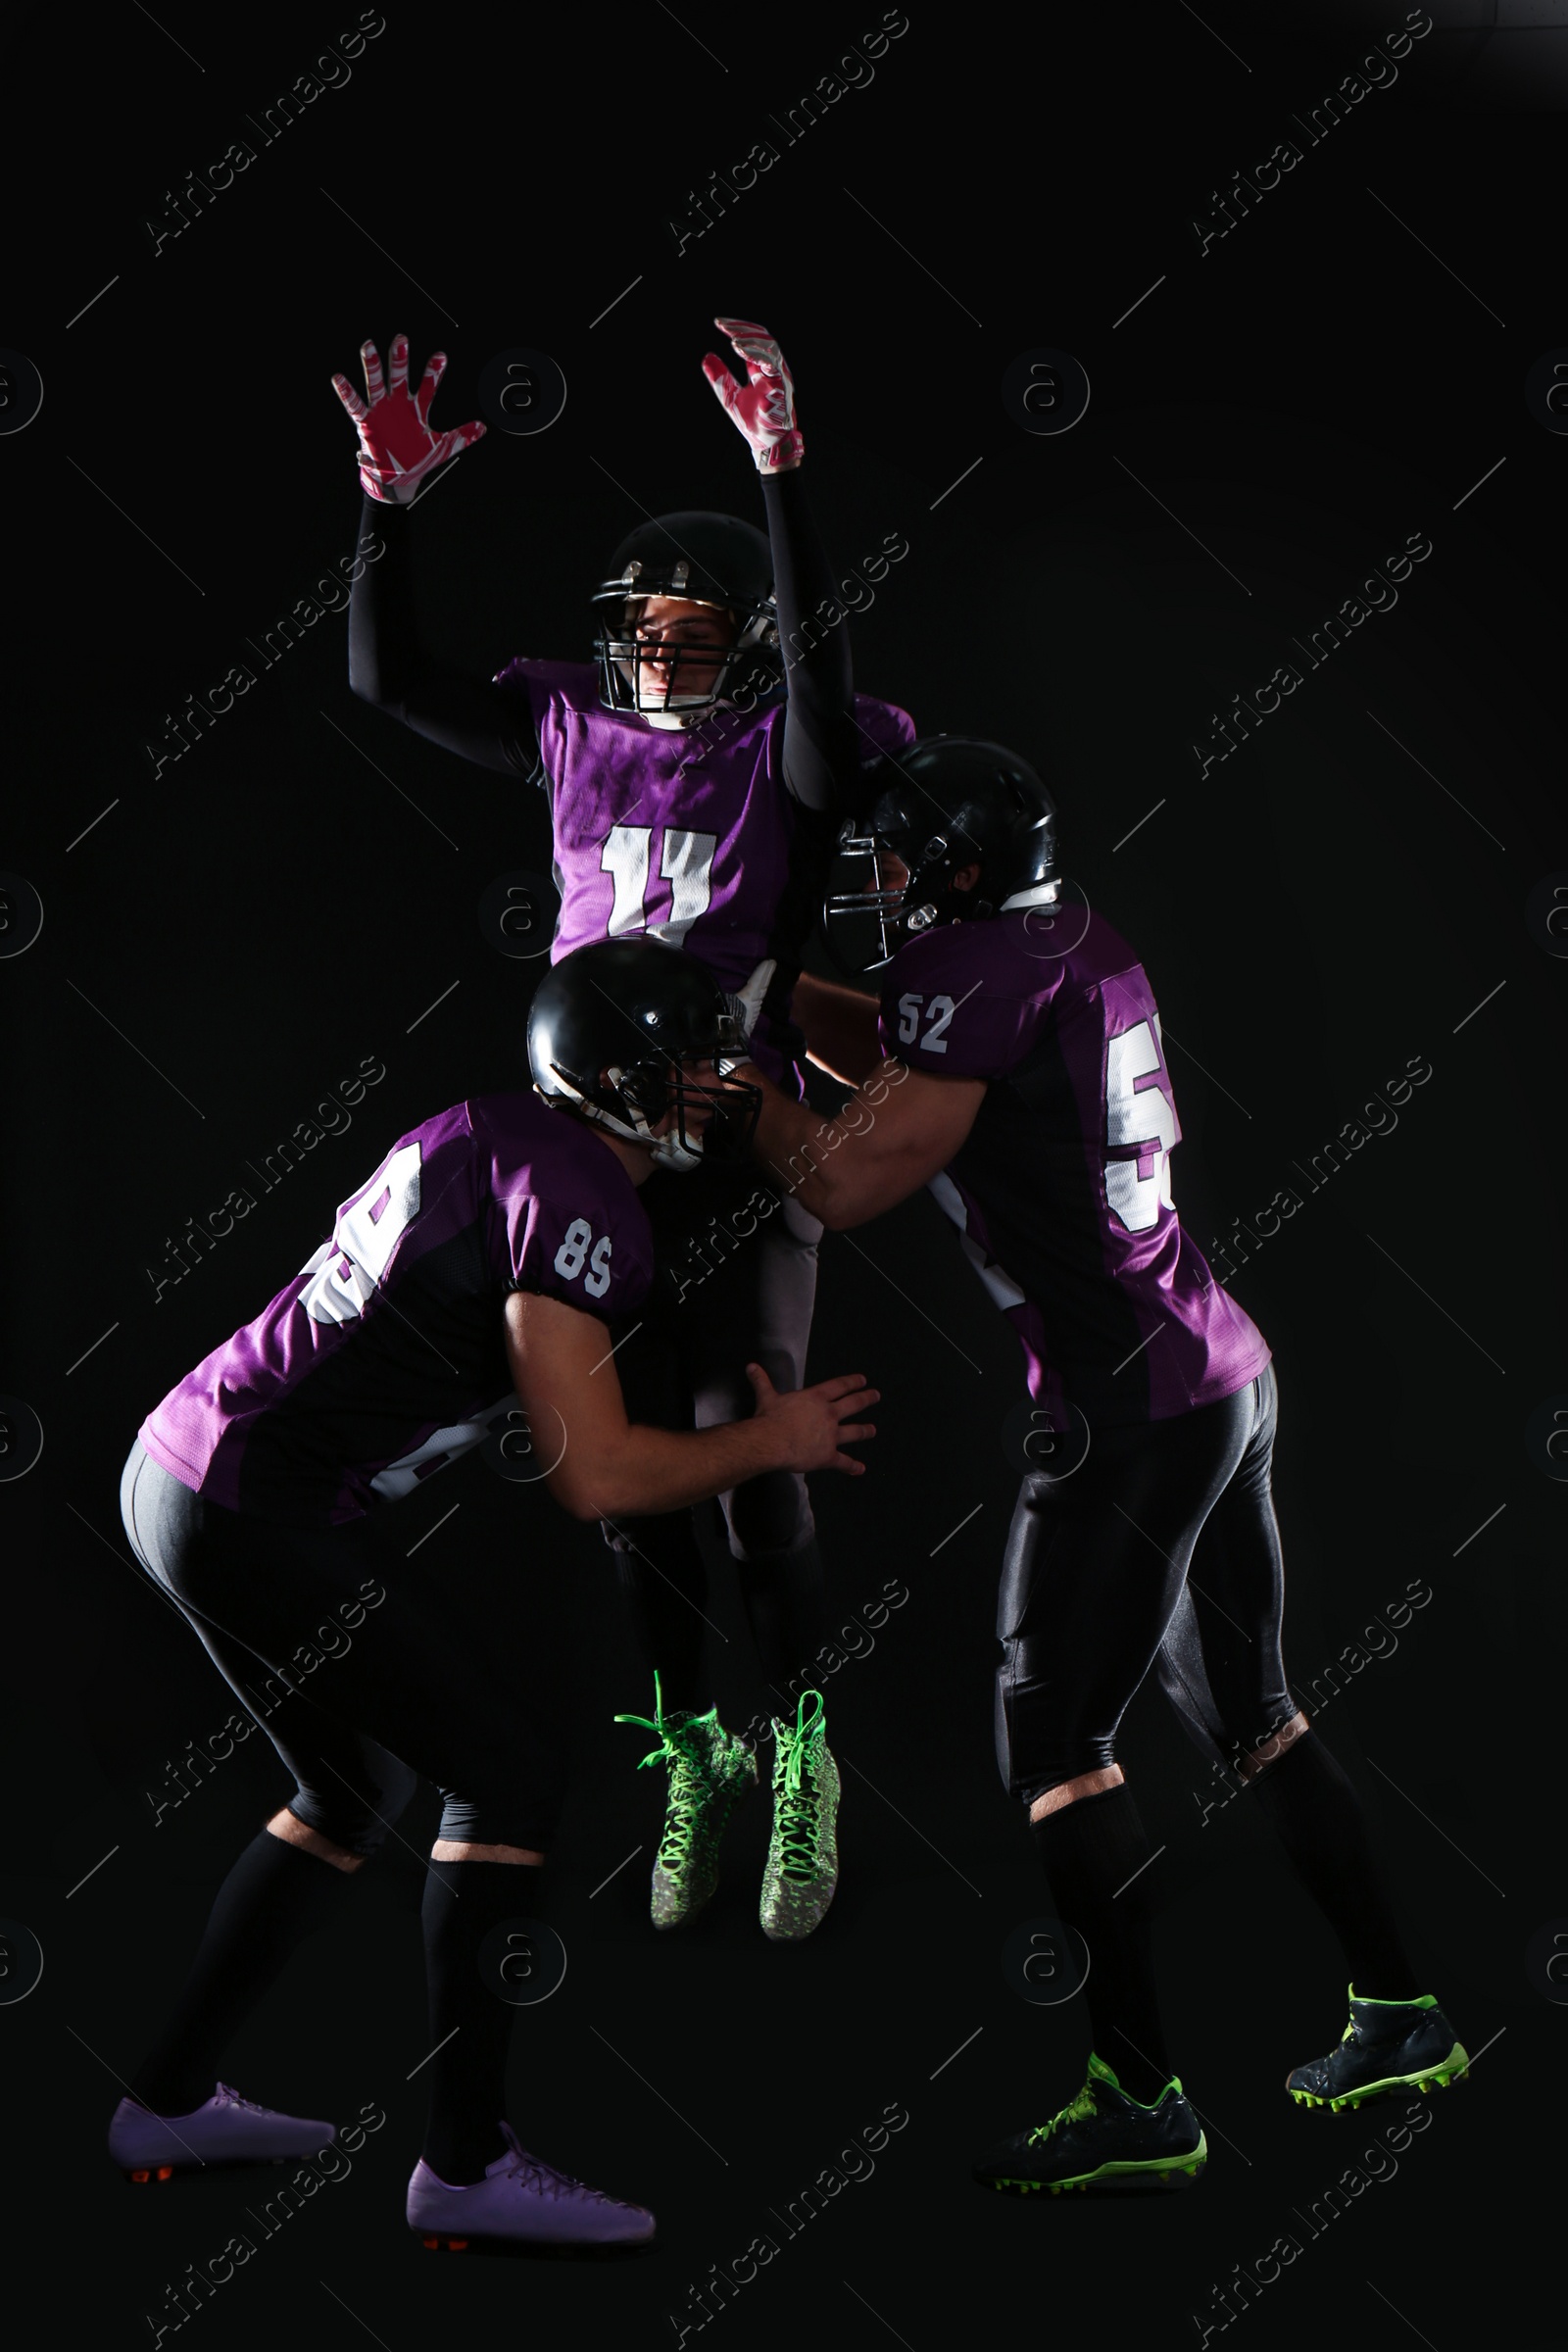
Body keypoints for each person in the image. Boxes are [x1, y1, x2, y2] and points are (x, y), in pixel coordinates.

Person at [741, 736, 1467, 2196]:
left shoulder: (978, 981)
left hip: (1130, 1409)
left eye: (896, 856)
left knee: (1053, 1746)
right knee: (1256, 1713)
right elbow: (903, 1038)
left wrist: (717, 1071)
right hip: (1217, 1367)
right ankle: (1401, 2013)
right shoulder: (1062, 935)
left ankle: (1140, 2096)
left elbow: (844, 1173)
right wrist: (761, 1004)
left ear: (951, 867)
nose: (877, 878)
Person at [109, 939, 876, 2252]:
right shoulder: (582, 1196)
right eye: (693, 1068)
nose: (722, 1084)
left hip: (186, 1466)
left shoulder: (499, 1133)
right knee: (509, 1777)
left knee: (354, 1789)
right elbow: (597, 1481)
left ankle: (166, 2104)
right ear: (618, 1079)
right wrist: (774, 1443)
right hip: (247, 1502)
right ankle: (463, 2167)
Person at [332, 318, 912, 1939]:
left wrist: (783, 472)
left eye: (699, 625)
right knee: (629, 1465)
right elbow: (383, 674)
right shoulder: (567, 729)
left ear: (746, 639)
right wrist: (384, 502)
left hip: (735, 1129)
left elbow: (830, 664)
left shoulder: (785, 760)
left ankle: (802, 1739)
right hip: (593, 1132)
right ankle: (688, 1749)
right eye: (642, 627)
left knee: (749, 1424)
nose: (663, 649)